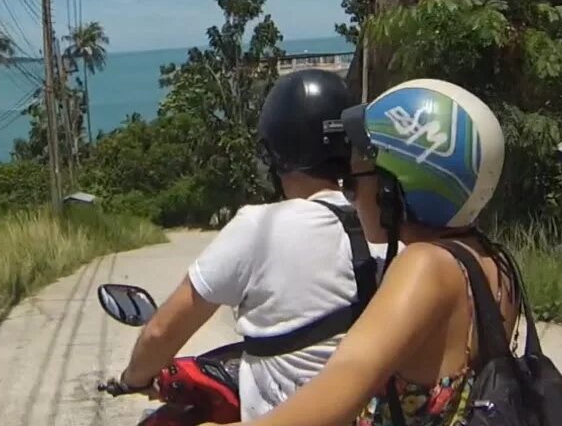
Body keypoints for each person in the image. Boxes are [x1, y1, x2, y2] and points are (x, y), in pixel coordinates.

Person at [221, 78, 519, 426]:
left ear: (392, 189)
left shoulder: (424, 266)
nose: (351, 195)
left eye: (354, 181)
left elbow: (338, 391)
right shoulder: (493, 263)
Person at [112, 68, 377, 420]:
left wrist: (133, 378)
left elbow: (161, 331)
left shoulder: (259, 226)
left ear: (275, 153)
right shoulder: (386, 227)